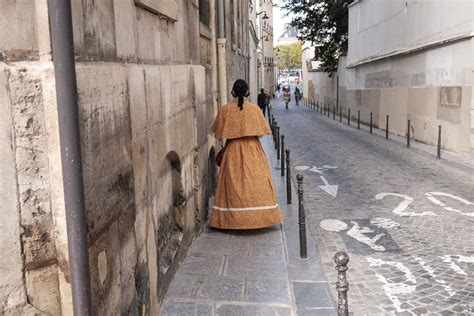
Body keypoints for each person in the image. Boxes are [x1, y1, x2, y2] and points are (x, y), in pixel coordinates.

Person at [210, 79, 283, 229]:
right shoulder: (255, 109)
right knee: (256, 181)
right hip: (252, 149)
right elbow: (262, 132)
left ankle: (232, 219)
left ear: (233, 92)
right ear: (248, 92)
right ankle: (261, 216)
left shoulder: (225, 110)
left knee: (232, 184)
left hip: (233, 150)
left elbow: (218, 132)